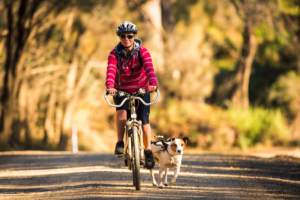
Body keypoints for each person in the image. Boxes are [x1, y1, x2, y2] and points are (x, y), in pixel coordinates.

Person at [105, 21, 158, 169]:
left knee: (145, 122)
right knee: (121, 112)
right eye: (123, 36)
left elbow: (149, 68)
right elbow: (111, 70)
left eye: (129, 35)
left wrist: (152, 83)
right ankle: (120, 142)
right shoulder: (114, 53)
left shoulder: (143, 52)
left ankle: (147, 152)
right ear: (119, 37)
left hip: (141, 89)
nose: (126, 38)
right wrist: (110, 86)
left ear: (134, 36)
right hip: (120, 89)